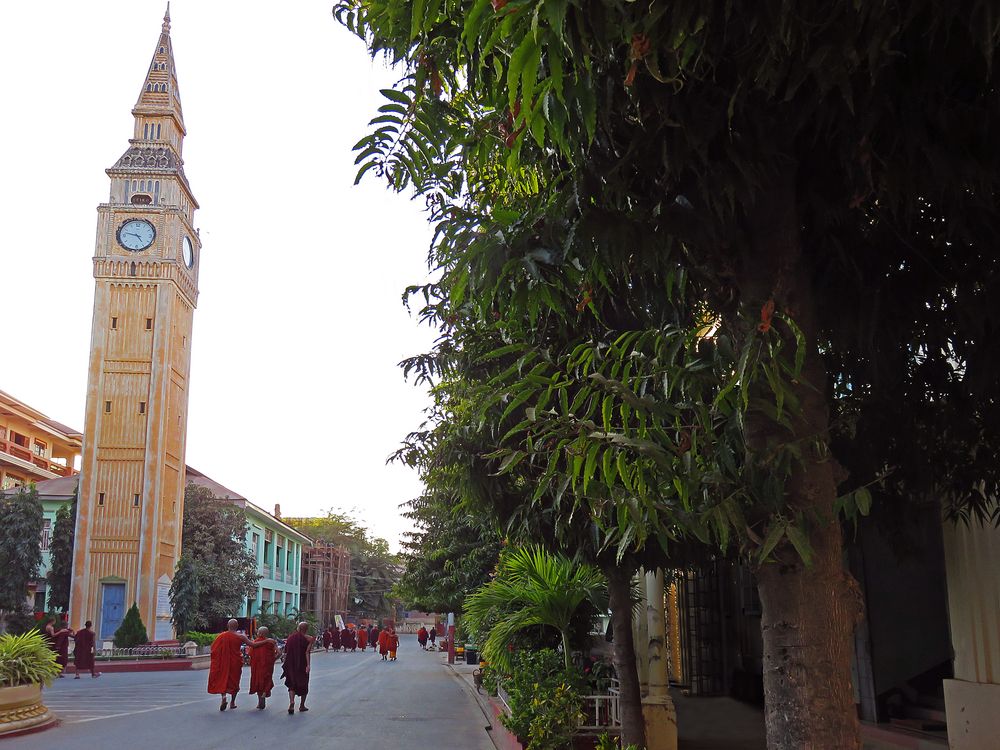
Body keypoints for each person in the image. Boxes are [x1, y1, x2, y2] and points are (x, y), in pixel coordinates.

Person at [208, 619, 258, 711]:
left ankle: (223, 697)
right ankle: (232, 702)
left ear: (227, 626)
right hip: (235, 662)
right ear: (237, 626)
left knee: (223, 679)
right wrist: (266, 641)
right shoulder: (240, 636)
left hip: (223, 662)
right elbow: (253, 645)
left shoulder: (221, 636)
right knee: (234, 681)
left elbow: (213, 650)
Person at [281, 621, 314, 714]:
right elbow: (307, 652)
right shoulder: (309, 639)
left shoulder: (291, 638)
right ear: (306, 629)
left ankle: (291, 702)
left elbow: (286, 651)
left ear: (298, 628)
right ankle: (302, 705)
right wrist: (308, 665)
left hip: (291, 663)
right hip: (302, 663)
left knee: (292, 683)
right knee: (304, 683)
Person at [249, 626, 279, 710]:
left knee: (258, 681)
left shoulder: (255, 642)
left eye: (258, 632)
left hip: (257, 665)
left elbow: (250, 653)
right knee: (267, 679)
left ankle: (260, 702)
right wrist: (274, 659)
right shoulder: (271, 642)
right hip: (268, 664)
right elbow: (279, 652)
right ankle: (265, 693)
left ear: (260, 633)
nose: (257, 634)